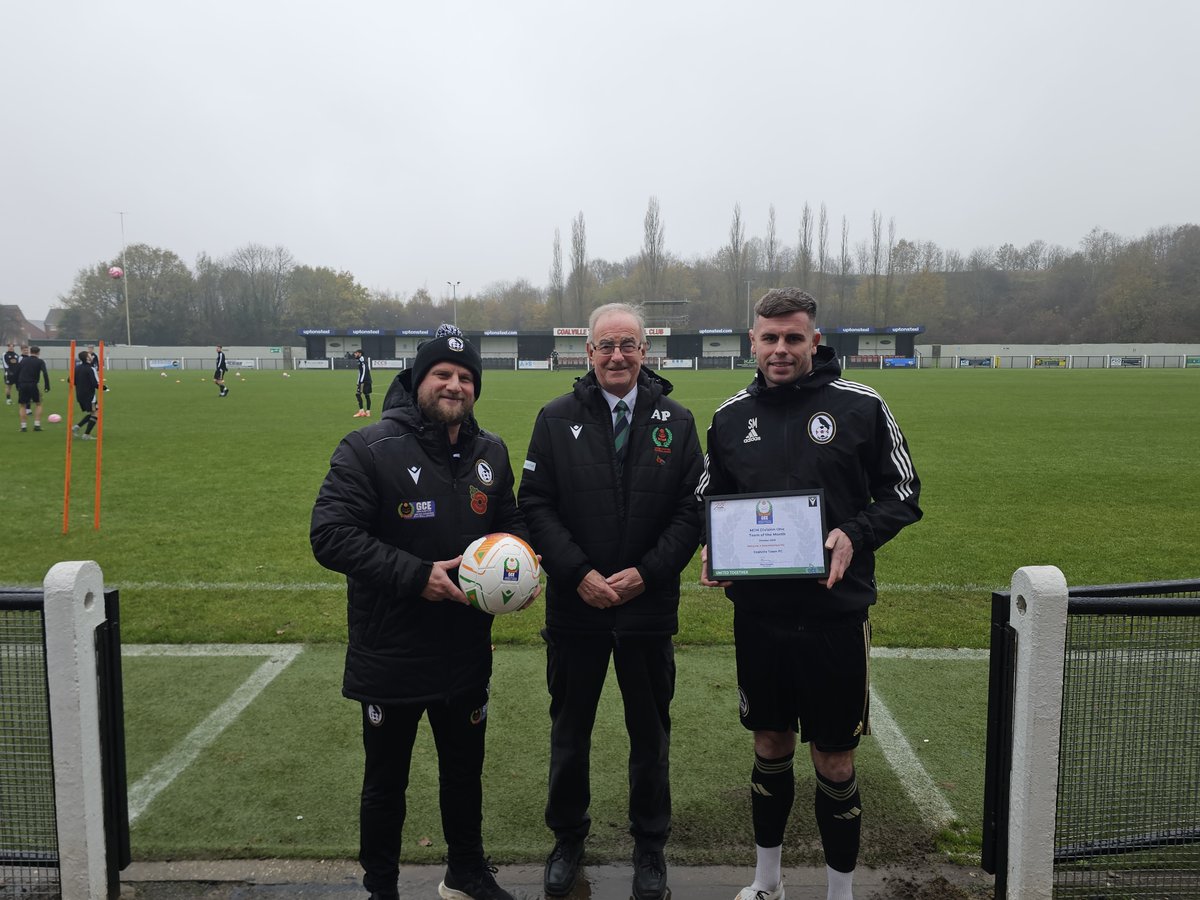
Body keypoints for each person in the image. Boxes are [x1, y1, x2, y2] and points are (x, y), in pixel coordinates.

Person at [698, 288, 922, 900]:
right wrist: (712, 544)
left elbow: (905, 492)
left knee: (835, 759)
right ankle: (767, 883)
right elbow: (705, 498)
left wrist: (854, 531)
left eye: (793, 338)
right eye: (769, 338)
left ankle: (838, 893)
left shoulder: (862, 406)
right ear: (752, 341)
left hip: (835, 616)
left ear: (814, 341)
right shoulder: (730, 416)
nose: (780, 350)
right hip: (761, 618)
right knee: (769, 743)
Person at [311, 324, 534, 900]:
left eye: (465, 377)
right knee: (386, 782)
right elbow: (330, 535)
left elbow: (511, 525)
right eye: (443, 374)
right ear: (418, 381)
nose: (454, 385)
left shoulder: (492, 452)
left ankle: (465, 872)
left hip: (465, 650)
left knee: (464, 773)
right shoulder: (368, 447)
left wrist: (524, 568)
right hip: (392, 652)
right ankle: (381, 887)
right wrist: (417, 576)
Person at [518, 302, 704, 900]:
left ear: (645, 352)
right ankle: (567, 838)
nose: (617, 356)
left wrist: (646, 575)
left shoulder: (677, 421)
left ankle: (650, 848)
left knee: (650, 737)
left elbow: (691, 511)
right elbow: (534, 504)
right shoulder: (554, 418)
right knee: (569, 735)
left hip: (647, 614)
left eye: (628, 345)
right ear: (588, 353)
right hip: (577, 612)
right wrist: (578, 574)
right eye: (606, 346)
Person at [16, 346, 50, 432]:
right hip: (33, 384)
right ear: (38, 353)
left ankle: (23, 427)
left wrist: (17, 385)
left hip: (23, 384)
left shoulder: (23, 360)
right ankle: (37, 425)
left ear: (30, 352)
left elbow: (17, 373)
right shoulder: (40, 361)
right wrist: (47, 386)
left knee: (22, 405)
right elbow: (45, 373)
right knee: (38, 404)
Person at [73, 350, 100, 440]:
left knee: (92, 413)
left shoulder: (76, 368)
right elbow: (95, 384)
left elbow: (70, 380)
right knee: (95, 413)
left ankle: (77, 427)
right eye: (90, 355)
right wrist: (104, 388)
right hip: (89, 395)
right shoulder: (90, 369)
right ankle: (86, 435)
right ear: (87, 358)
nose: (92, 357)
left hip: (79, 395)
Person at [353, 348, 373, 417]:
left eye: (356, 353)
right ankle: (367, 412)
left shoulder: (362, 359)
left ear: (360, 353)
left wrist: (361, 381)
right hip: (367, 380)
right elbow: (360, 372)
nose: (354, 354)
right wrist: (358, 380)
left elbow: (365, 370)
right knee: (366, 395)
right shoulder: (359, 360)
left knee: (358, 394)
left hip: (364, 381)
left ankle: (361, 412)